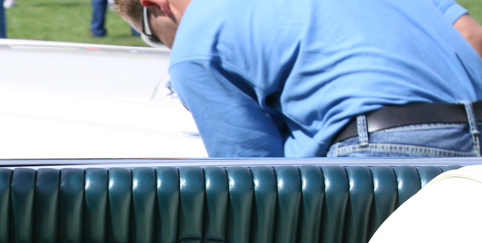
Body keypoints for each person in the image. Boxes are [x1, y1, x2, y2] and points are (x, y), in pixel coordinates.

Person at [112, 0, 482, 158]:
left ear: (154, 4)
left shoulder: (194, 44)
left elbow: (258, 178)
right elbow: (470, 34)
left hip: (382, 147)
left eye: (151, 35)